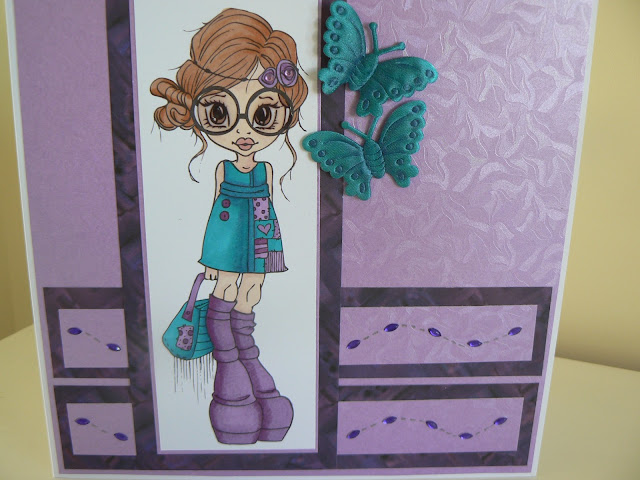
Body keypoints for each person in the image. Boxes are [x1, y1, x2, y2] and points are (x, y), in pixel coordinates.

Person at [150, 8, 308, 445]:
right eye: (220, 112)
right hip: (226, 243)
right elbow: (217, 213)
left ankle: (250, 372)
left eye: (263, 115)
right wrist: (213, 260)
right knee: (226, 295)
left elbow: (268, 214)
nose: (243, 131)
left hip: (260, 242)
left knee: (248, 298)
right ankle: (234, 375)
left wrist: (267, 257)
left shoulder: (266, 171)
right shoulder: (223, 168)